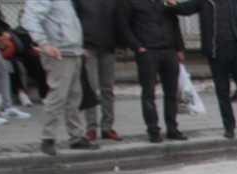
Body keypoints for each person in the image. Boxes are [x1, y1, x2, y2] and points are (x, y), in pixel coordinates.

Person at [169, 0, 237, 141]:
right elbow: (186, 8)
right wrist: (172, 6)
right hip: (217, 51)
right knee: (222, 91)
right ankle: (229, 126)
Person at [22, 0, 98, 155]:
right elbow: (29, 19)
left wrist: (78, 47)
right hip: (59, 54)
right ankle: (48, 138)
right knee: (58, 96)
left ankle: (76, 137)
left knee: (74, 97)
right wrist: (44, 44)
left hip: (71, 52)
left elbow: (66, 21)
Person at [119, 0, 185, 143]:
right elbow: (123, 25)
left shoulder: (164, 2)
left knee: (172, 93)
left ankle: (172, 128)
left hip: (169, 50)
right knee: (149, 93)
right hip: (148, 51)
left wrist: (179, 48)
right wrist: (137, 47)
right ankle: (153, 130)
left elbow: (175, 23)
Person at [76, 0, 123, 141]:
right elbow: (75, 20)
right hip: (88, 48)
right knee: (91, 88)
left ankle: (107, 126)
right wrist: (80, 44)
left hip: (108, 48)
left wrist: (121, 44)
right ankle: (91, 127)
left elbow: (119, 19)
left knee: (107, 89)